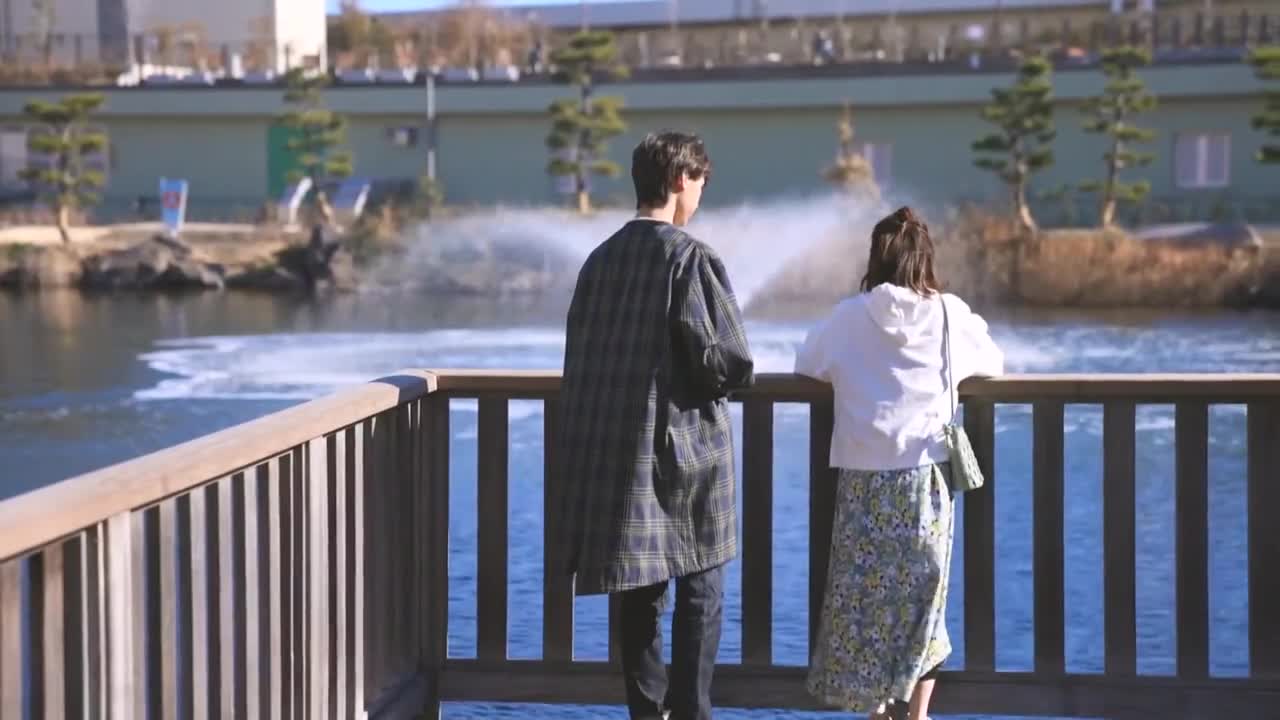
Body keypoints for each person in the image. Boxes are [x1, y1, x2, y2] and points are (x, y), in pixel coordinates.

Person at [556, 131, 755, 720]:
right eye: (699, 184)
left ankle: (647, 711)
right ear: (678, 180)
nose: (699, 197)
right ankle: (691, 711)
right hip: (685, 457)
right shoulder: (689, 258)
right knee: (701, 586)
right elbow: (729, 361)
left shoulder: (599, 261)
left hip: (618, 452)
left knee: (638, 590)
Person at [796, 206, 1003, 720]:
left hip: (863, 481)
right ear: (925, 260)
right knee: (924, 605)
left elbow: (807, 360)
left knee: (867, 606)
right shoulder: (949, 314)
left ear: (876, 260)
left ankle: (878, 713)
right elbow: (993, 360)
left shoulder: (848, 316)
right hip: (925, 480)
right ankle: (918, 715)